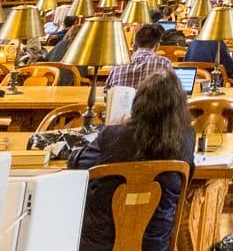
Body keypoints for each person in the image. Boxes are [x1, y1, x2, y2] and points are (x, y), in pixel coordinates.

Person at [70, 71, 196, 251]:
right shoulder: (186, 138)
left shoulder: (113, 136)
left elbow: (77, 165)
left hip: (101, 243)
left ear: (138, 103)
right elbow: (188, 178)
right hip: (154, 244)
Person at [108, 24, 174, 91]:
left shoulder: (118, 65)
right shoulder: (164, 63)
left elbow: (107, 93)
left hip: (121, 101)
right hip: (151, 101)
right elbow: (173, 91)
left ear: (134, 45)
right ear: (157, 46)